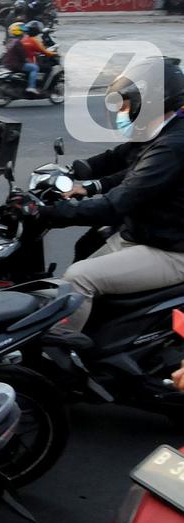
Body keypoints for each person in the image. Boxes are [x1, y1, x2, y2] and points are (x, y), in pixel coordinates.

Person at [14, 57, 184, 332]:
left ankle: (59, 356)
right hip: (144, 232)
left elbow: (118, 202)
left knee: (79, 278)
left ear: (152, 102)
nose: (122, 111)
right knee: (87, 248)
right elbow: (120, 160)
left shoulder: (173, 146)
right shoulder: (159, 131)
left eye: (127, 104)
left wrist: (49, 213)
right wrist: (75, 173)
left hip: (171, 250)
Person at [19, 21, 56, 94]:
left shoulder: (23, 39)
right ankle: (39, 87)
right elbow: (43, 51)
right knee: (48, 68)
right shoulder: (34, 41)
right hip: (29, 62)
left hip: (21, 61)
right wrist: (53, 54)